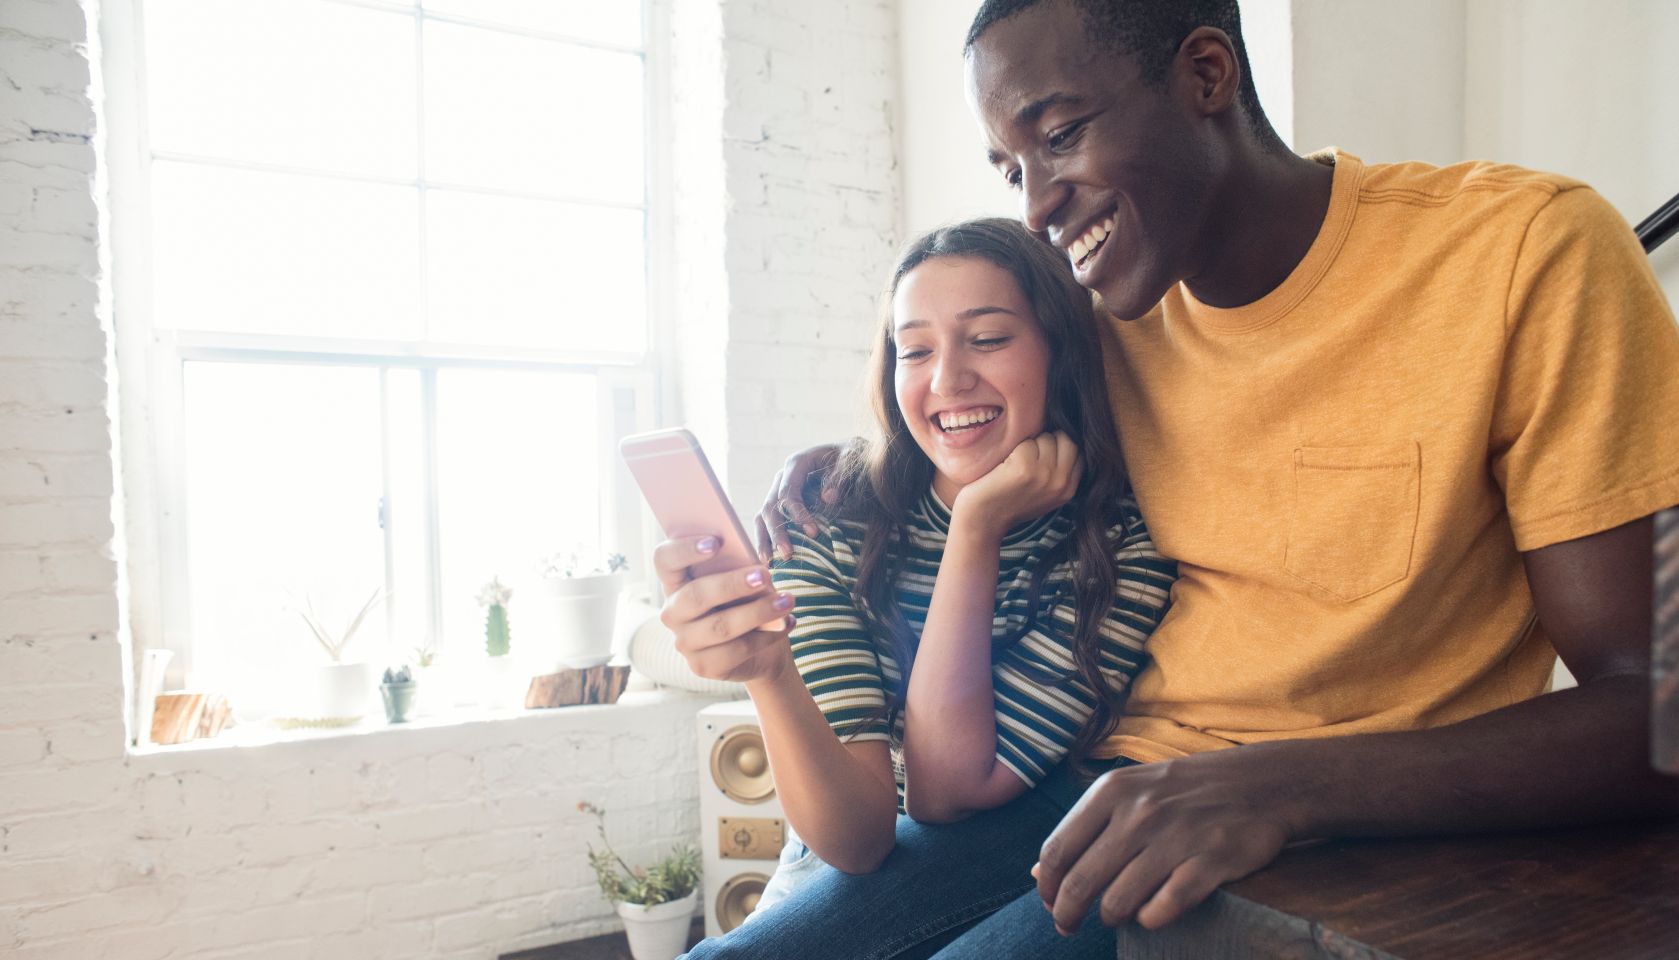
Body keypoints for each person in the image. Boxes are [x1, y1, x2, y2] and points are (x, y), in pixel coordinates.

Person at [756, 0, 1679, 952]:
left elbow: (1660, 707)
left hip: (1337, 820)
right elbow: (958, 408)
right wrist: (836, 467)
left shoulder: (1526, 254)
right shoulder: (1099, 311)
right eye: (1010, 168)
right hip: (1087, 783)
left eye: (1060, 136)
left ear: (1206, 76)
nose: (1033, 206)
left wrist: (1279, 785)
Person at [655, 218, 1174, 958]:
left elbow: (942, 792)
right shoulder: (826, 513)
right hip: (842, 840)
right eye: (915, 349)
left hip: (1020, 828)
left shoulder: (1118, 543)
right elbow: (856, 840)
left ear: (1060, 352)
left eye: (987, 339)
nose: (946, 380)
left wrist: (975, 528)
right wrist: (767, 674)